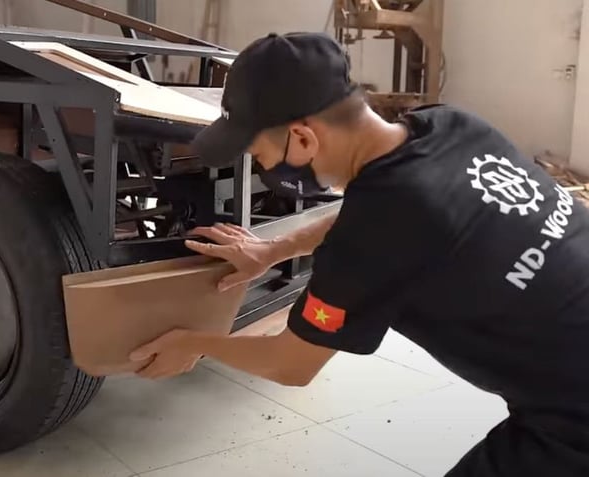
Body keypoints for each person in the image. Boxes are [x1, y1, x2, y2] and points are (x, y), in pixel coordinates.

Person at [128, 31, 589, 476]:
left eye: (260, 154)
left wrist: (193, 344)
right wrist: (275, 248)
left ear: (303, 139)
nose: (262, 167)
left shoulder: (377, 228)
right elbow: (385, 210)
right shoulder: (451, 125)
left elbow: (291, 363)